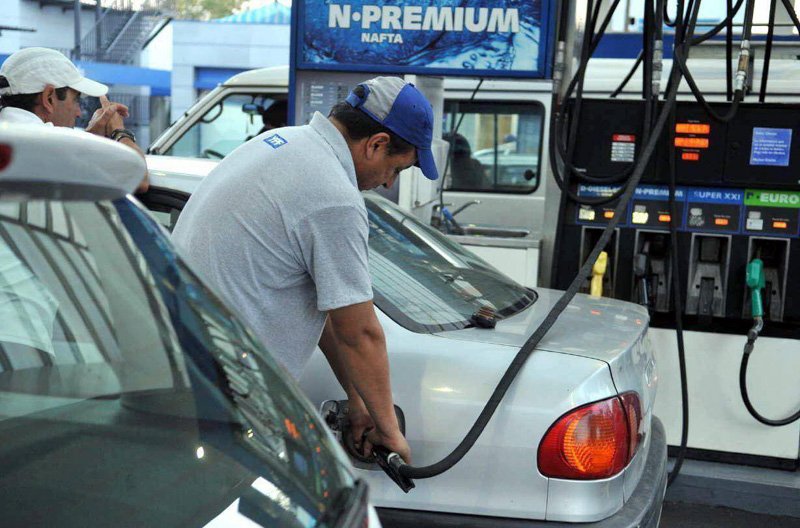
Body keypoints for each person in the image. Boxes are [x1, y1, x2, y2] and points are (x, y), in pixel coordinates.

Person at [172, 77, 439, 463]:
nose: (387, 183)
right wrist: (389, 430)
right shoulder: (333, 197)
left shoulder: (281, 143)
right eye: (395, 169)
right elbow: (359, 333)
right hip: (225, 398)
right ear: (376, 144)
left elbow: (329, 309)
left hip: (183, 376)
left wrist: (359, 398)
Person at [0, 47, 148, 192]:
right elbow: (137, 177)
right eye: (76, 100)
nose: (79, 113)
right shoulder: (46, 145)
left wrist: (88, 139)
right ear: (48, 98)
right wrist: (119, 131)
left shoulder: (10, 136)